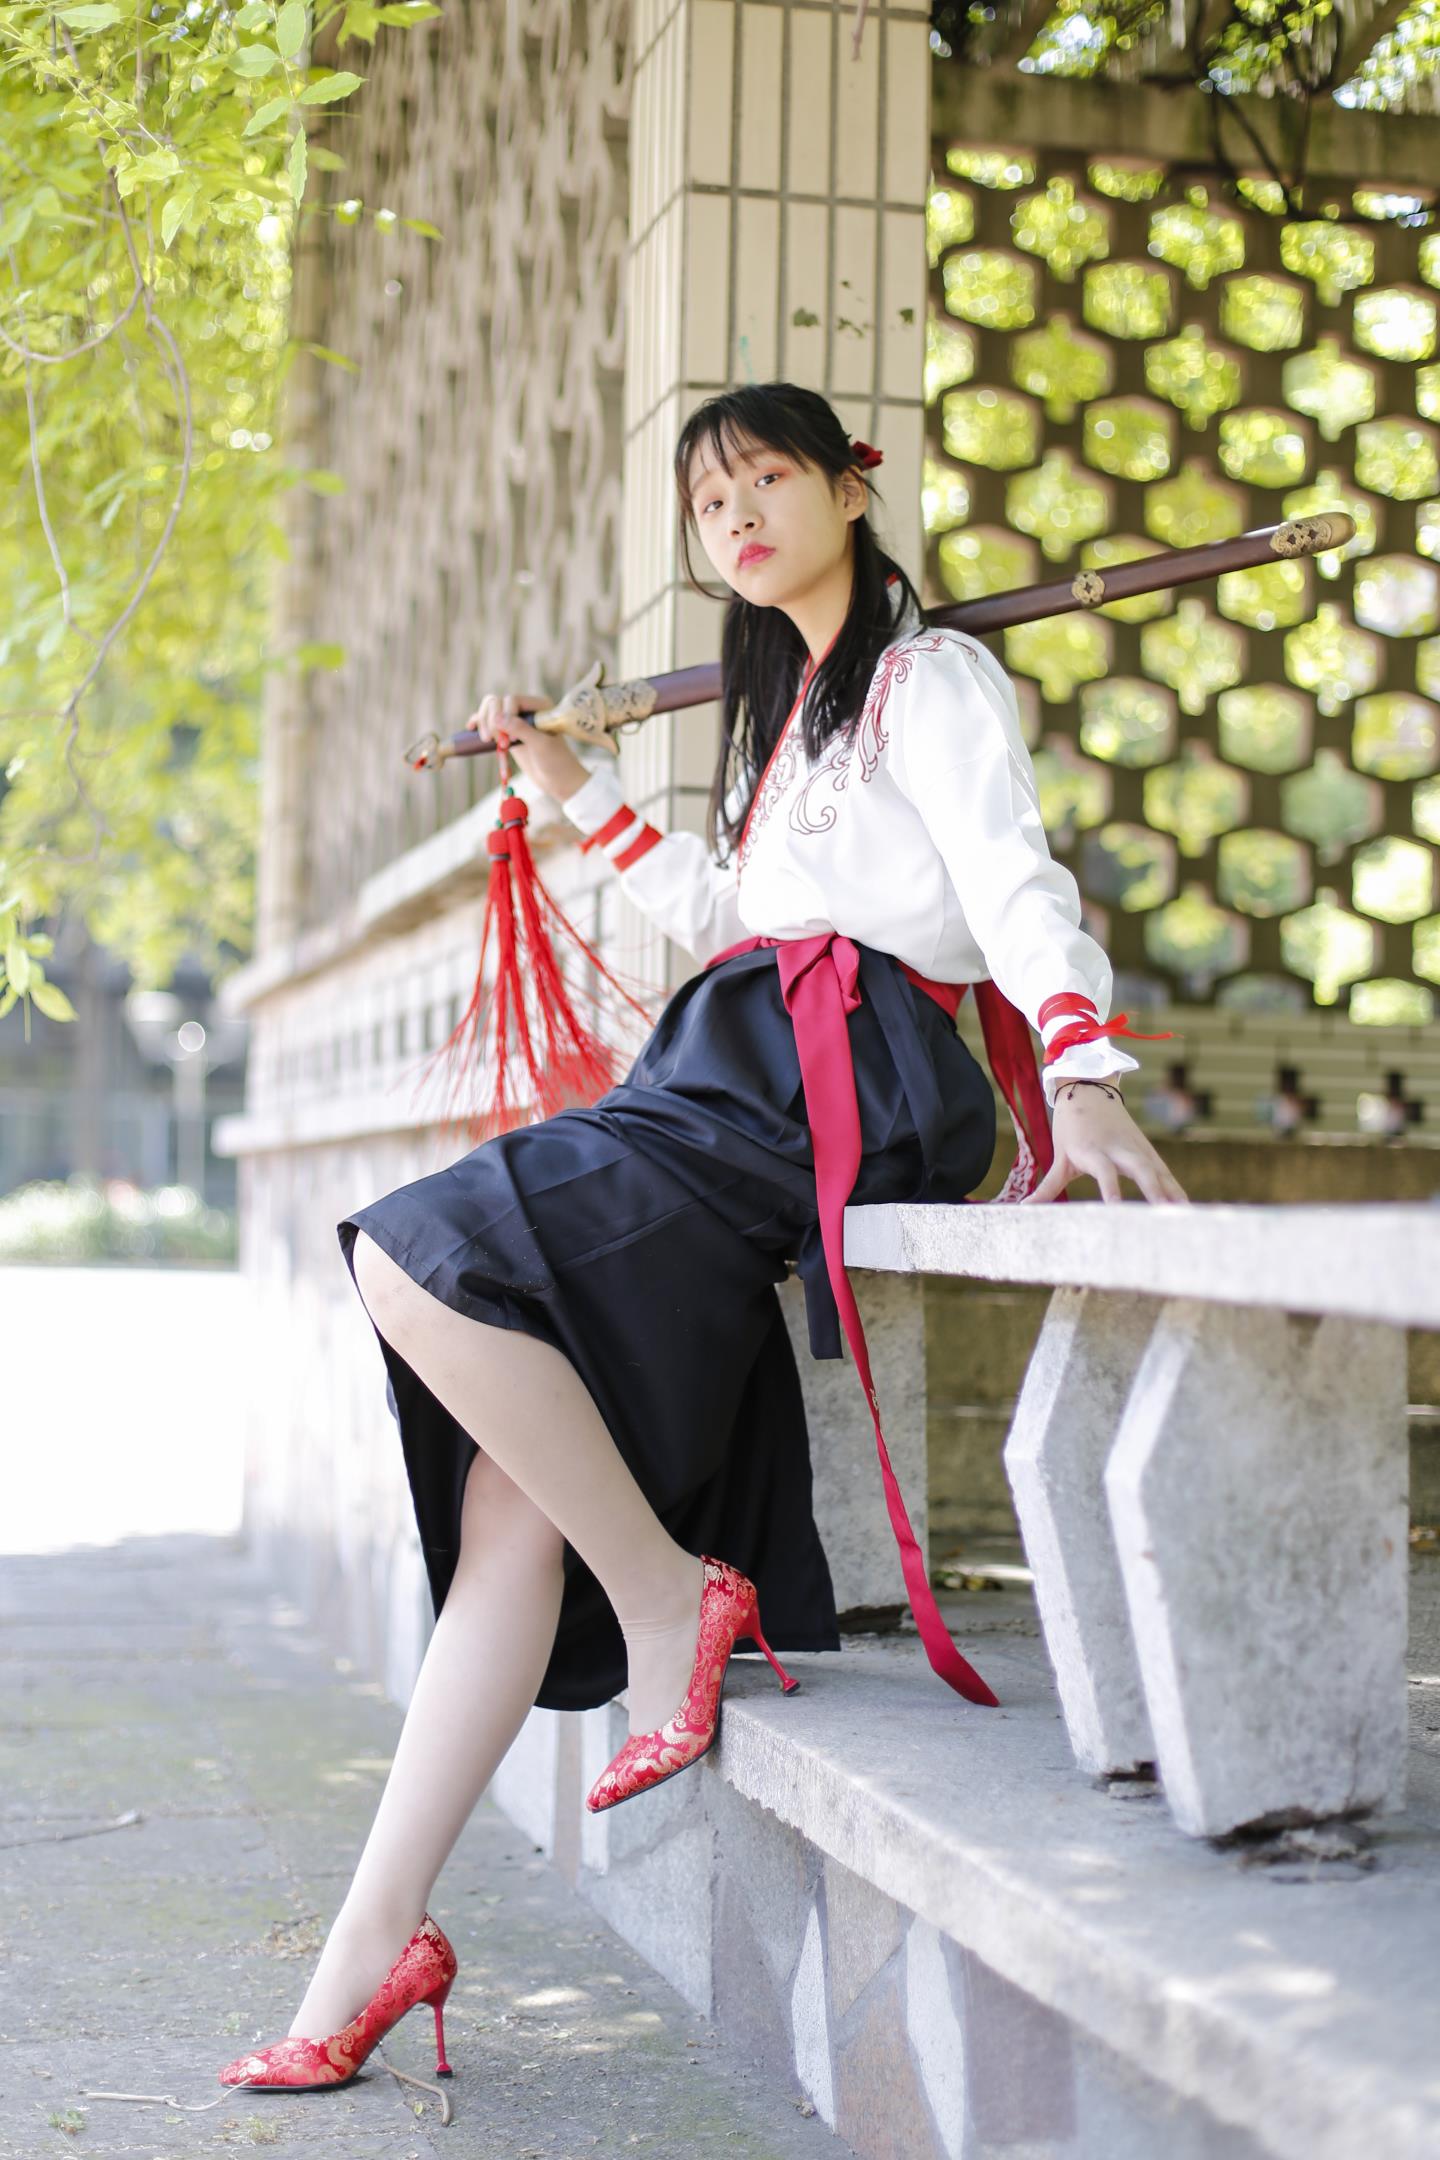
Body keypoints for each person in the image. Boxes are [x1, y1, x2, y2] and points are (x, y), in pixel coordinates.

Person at [218, 380, 1188, 2096]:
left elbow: (1014, 880)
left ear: (849, 490)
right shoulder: (792, 722)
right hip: (741, 1062)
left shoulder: (927, 680)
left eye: (766, 479)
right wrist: (573, 788)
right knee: (509, 1505)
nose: (735, 516)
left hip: (850, 1072)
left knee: (416, 1251)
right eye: (708, 501)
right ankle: (370, 1951)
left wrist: (1085, 1076)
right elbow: (731, 918)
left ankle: (672, 1598)